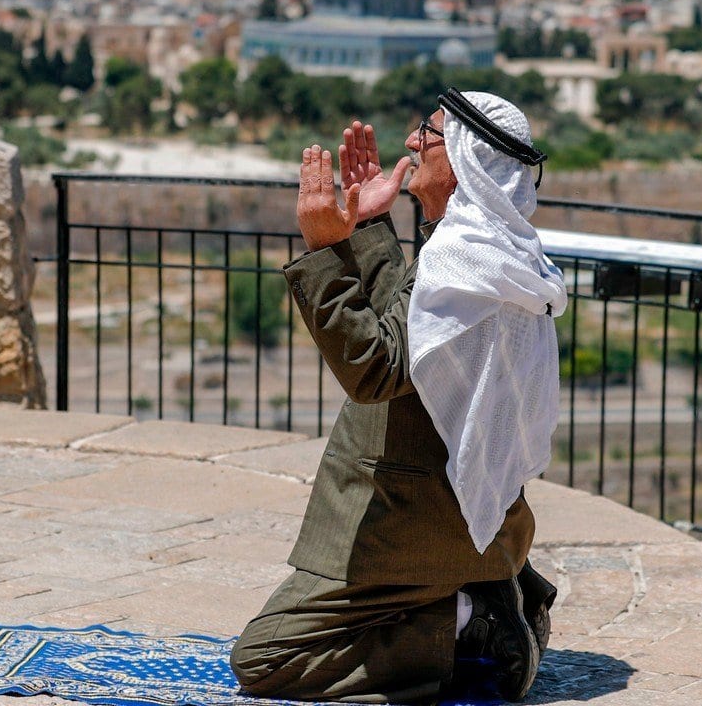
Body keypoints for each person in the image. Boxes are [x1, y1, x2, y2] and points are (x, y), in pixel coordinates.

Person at [229, 90, 566, 702]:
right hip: (479, 516)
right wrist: (372, 226)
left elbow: (375, 370)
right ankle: (485, 589)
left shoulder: (466, 261)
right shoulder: (487, 252)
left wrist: (325, 249)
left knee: (268, 657)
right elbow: (409, 328)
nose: (411, 142)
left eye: (427, 134)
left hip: (415, 520)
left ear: (465, 158)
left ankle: (471, 626)